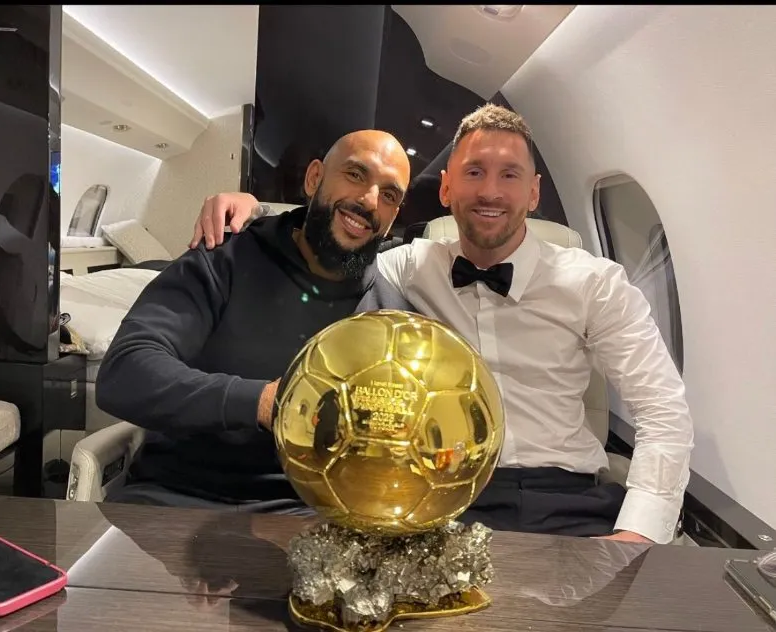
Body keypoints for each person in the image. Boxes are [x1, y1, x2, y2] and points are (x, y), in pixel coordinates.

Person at [190, 104, 695, 545]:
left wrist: (637, 534)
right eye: (474, 173)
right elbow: (327, 244)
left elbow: (663, 412)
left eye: (510, 175)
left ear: (535, 193)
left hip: (566, 502)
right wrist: (255, 217)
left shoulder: (596, 283)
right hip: (437, 497)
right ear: (447, 186)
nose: (490, 192)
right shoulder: (411, 265)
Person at [95, 129, 414, 511]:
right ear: (314, 179)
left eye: (389, 195)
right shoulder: (222, 260)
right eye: (355, 175)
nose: (368, 200)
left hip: (314, 519)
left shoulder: (392, 315)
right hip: (177, 498)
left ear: (393, 217)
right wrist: (262, 402)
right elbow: (124, 373)